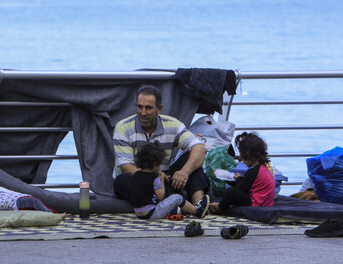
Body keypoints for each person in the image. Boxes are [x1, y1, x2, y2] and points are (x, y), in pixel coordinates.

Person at [113, 85, 209, 214]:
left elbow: (200, 148)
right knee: (121, 181)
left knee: (191, 160)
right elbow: (125, 167)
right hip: (139, 179)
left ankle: (198, 205)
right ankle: (169, 207)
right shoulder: (123, 127)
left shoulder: (173, 125)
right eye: (139, 107)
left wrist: (184, 172)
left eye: (148, 108)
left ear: (159, 109)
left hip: (166, 178)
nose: (143, 113)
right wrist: (155, 178)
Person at [130, 142, 206, 219]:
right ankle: (197, 211)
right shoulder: (154, 178)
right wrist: (161, 179)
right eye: (160, 164)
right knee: (177, 198)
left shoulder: (136, 174)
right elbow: (161, 196)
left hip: (138, 213)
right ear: (155, 164)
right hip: (151, 213)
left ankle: (174, 210)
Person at [209, 132, 275, 214]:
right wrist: (230, 178)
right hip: (266, 203)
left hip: (256, 203)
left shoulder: (253, 171)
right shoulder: (263, 169)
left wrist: (237, 178)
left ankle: (220, 208)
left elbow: (242, 189)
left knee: (230, 192)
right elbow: (247, 185)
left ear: (247, 156)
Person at [0, 185, 67, 219]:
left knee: (38, 204)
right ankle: (53, 216)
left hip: (18, 202)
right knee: (36, 204)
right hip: (18, 202)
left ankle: (53, 214)